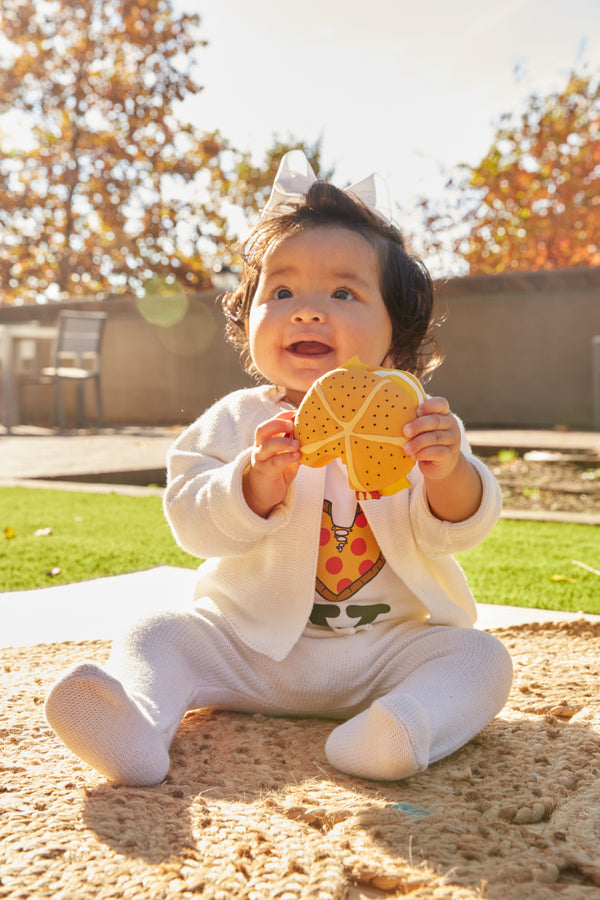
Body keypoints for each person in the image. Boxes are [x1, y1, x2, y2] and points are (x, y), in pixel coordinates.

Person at [45, 151, 513, 786]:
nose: (307, 309)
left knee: (480, 656)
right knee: (158, 630)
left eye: (344, 292)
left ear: (397, 336)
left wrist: (446, 471)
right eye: (282, 290)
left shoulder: (413, 422)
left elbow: (457, 529)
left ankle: (400, 729)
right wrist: (253, 483)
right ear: (249, 319)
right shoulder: (238, 420)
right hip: (248, 648)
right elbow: (192, 522)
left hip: (380, 654)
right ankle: (138, 727)